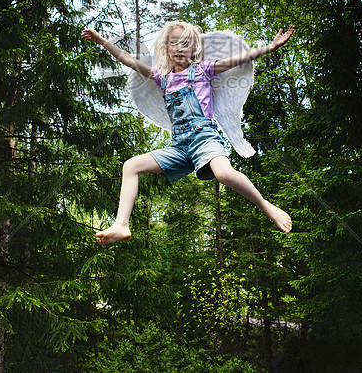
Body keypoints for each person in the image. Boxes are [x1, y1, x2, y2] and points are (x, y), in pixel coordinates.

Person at [81, 21, 294, 245]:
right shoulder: (161, 77)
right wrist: (103, 41)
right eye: (174, 43)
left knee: (223, 174)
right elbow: (130, 61)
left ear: (194, 50)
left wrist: (270, 47)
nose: (180, 47)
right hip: (180, 146)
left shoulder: (203, 70)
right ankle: (121, 225)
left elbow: (239, 59)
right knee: (130, 166)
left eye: (185, 43)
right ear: (166, 49)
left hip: (205, 138)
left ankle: (266, 206)